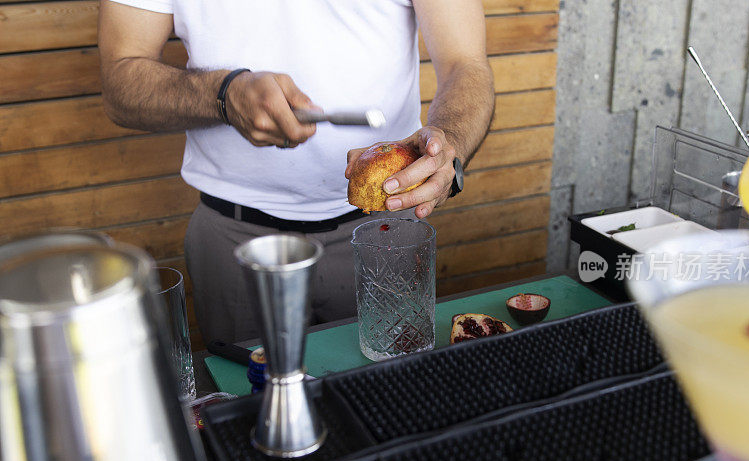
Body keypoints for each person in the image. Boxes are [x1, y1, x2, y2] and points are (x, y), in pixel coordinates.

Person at [98, 0, 494, 344]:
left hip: (384, 227)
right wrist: (222, 93)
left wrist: (449, 148)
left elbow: (465, 63)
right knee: (250, 409)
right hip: (235, 240)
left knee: (392, 399)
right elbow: (120, 81)